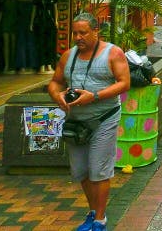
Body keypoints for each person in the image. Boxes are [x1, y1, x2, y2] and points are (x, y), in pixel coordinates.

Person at [48, 12, 130, 231]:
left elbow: (124, 83)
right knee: (82, 171)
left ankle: (100, 220)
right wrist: (58, 97)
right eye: (75, 33)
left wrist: (94, 96)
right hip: (76, 122)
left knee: (98, 170)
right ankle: (93, 212)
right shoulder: (68, 56)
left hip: (104, 118)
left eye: (83, 32)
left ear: (96, 31)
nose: (78, 37)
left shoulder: (113, 53)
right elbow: (55, 82)